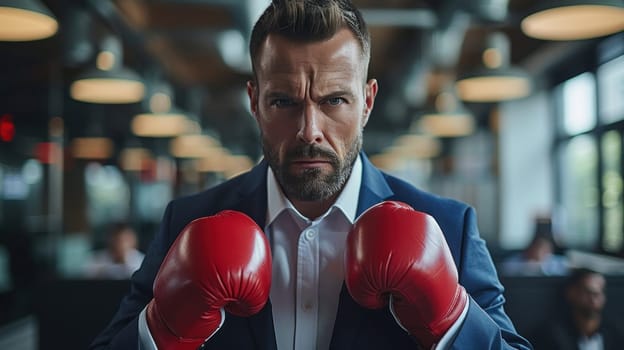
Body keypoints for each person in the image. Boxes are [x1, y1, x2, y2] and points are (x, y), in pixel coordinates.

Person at [90, 1, 531, 349]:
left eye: (334, 100)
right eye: (284, 102)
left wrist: (451, 320)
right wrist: (161, 331)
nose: (309, 131)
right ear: (254, 101)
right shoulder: (187, 222)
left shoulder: (448, 228)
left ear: (367, 102)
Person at [531, 268, 624, 350]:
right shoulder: (551, 335)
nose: (595, 298)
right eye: (589, 292)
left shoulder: (615, 333)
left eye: (600, 292)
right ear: (571, 293)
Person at [500, 216, 569, 276]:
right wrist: (528, 268)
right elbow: (505, 268)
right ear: (531, 247)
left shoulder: (554, 263)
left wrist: (541, 267)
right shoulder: (517, 262)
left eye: (544, 249)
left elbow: (568, 266)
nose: (539, 253)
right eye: (537, 247)